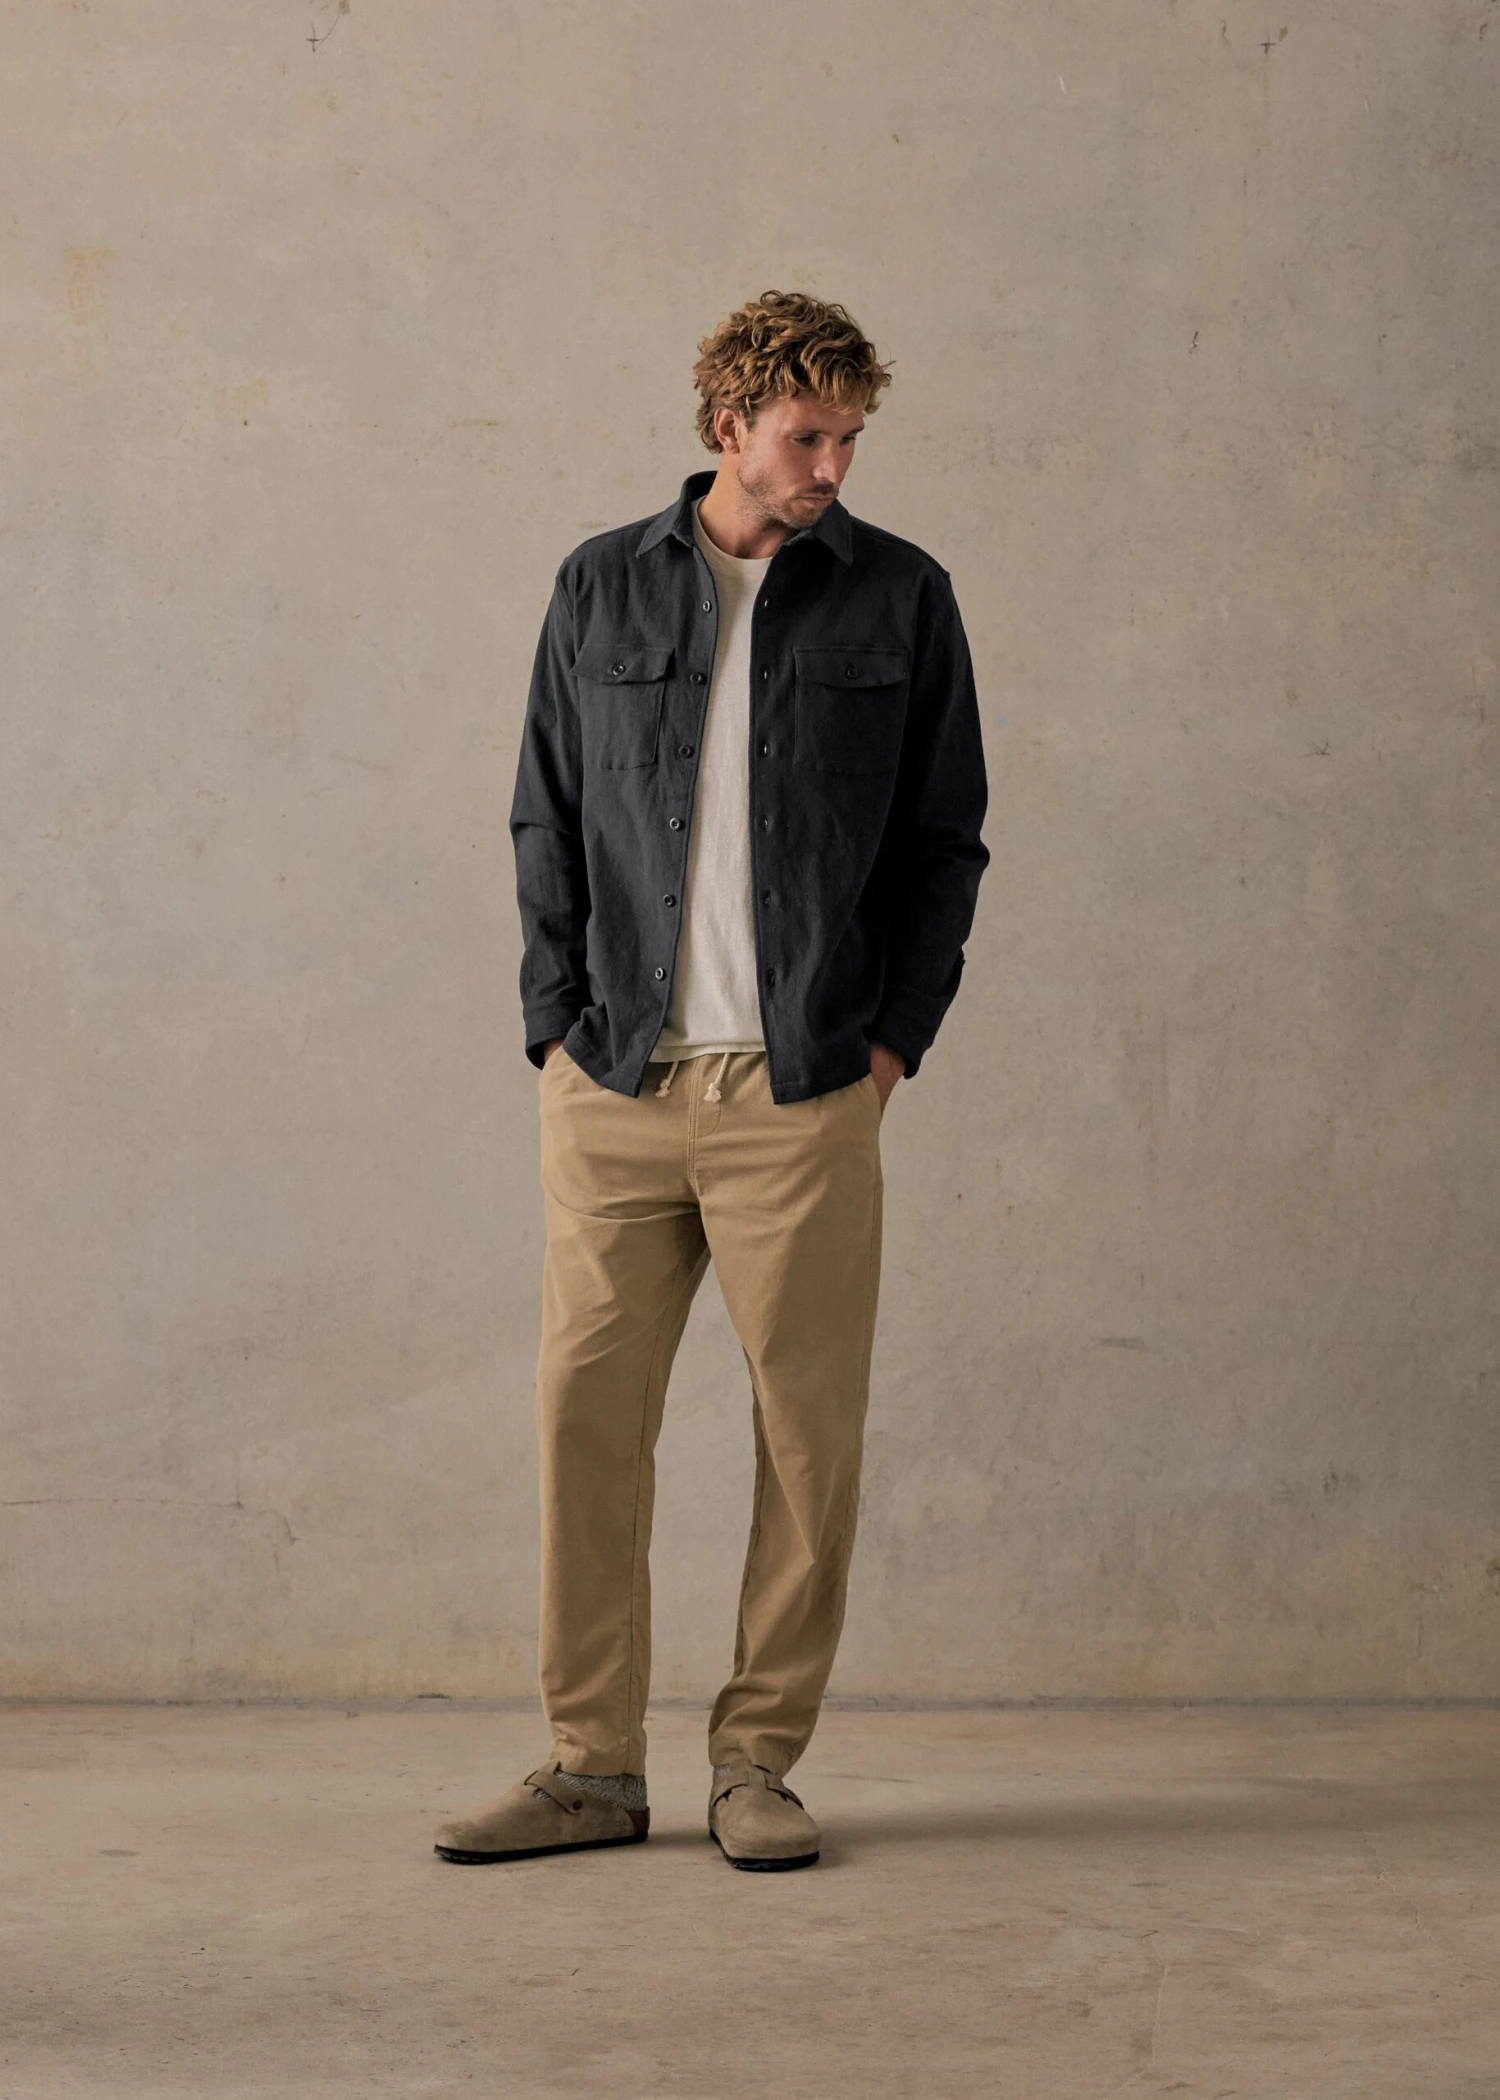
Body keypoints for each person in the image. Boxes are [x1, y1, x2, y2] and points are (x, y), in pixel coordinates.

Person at [435, 290, 989, 1872]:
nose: (833, 467)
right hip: (615, 1082)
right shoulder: (600, 584)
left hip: (803, 1092)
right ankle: (590, 1769)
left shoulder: (902, 597)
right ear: (728, 426)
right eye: (807, 436)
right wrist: (555, 1024)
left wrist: (887, 1048)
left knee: (808, 1441)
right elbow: (544, 812)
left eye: (851, 438)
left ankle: (757, 1764)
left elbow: (945, 842)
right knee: (585, 1422)